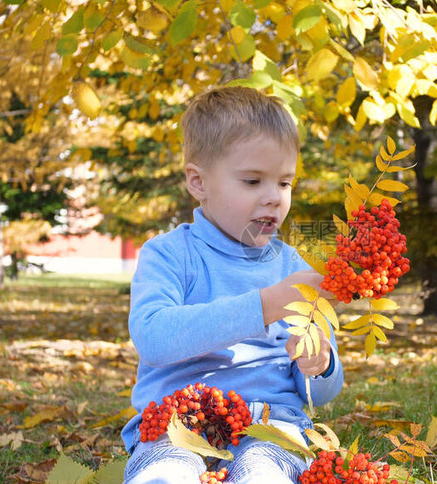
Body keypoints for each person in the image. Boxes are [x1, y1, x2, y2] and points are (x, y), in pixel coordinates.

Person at [121, 86, 344, 484]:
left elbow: (318, 395)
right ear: (198, 182)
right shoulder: (170, 254)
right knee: (166, 472)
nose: (274, 198)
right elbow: (153, 337)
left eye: (285, 183)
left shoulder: (294, 267)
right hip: (179, 422)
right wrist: (266, 305)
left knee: (265, 473)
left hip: (273, 425)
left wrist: (320, 365)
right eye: (253, 181)